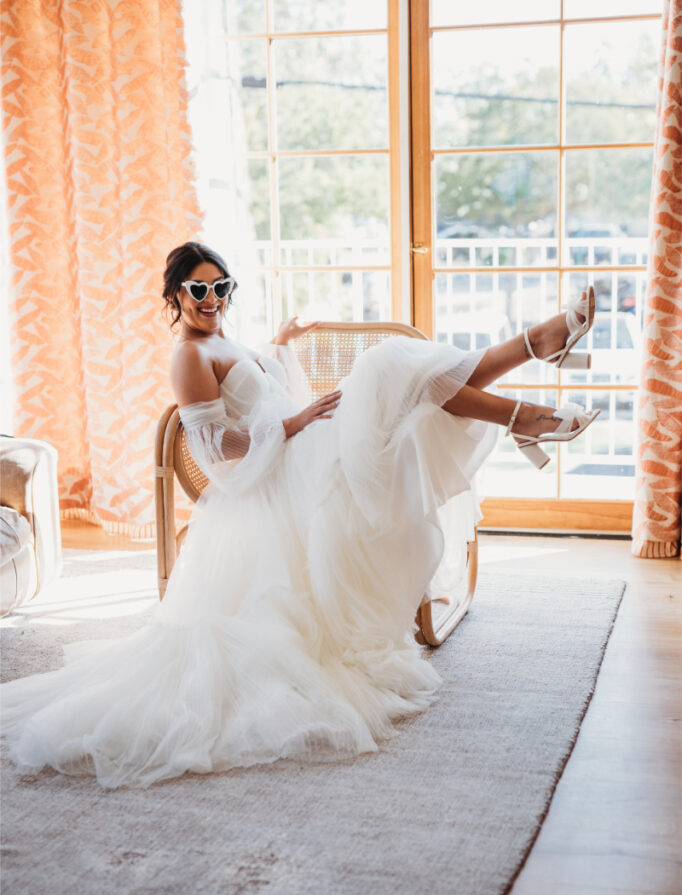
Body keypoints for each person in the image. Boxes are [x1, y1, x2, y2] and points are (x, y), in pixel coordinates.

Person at [0, 241, 598, 789]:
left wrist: (280, 346)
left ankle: (532, 400)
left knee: (411, 384)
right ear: (175, 296)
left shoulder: (226, 343)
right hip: (289, 465)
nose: (212, 300)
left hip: (307, 447)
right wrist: (293, 424)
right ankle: (533, 385)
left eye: (221, 287)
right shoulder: (187, 357)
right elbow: (215, 449)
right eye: (198, 290)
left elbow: (261, 390)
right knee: (393, 367)